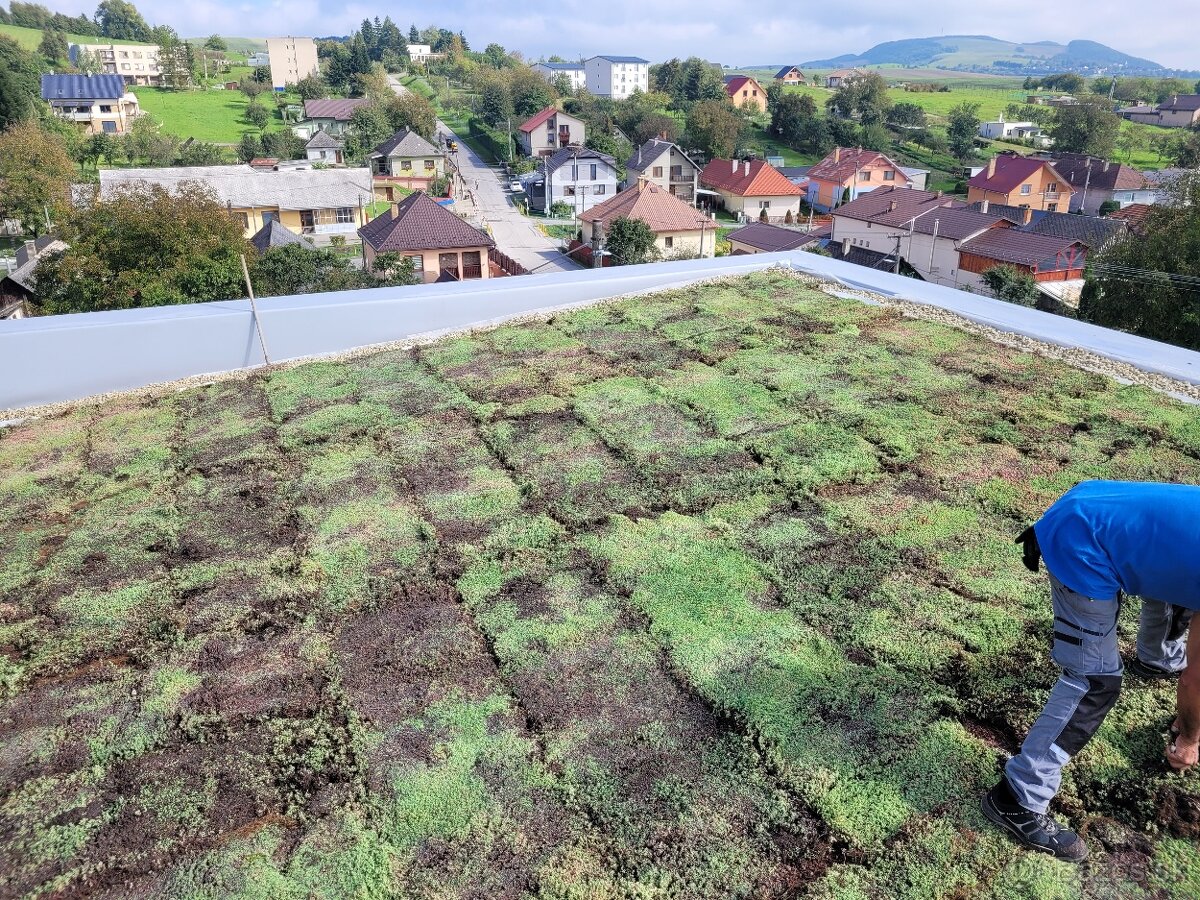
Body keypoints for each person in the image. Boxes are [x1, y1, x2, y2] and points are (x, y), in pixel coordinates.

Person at [982, 480, 1200, 862]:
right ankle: (1018, 796)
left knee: (1181, 588)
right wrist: (1190, 740)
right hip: (1082, 540)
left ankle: (1156, 657)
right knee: (1095, 682)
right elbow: (1195, 680)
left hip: (1100, 504)